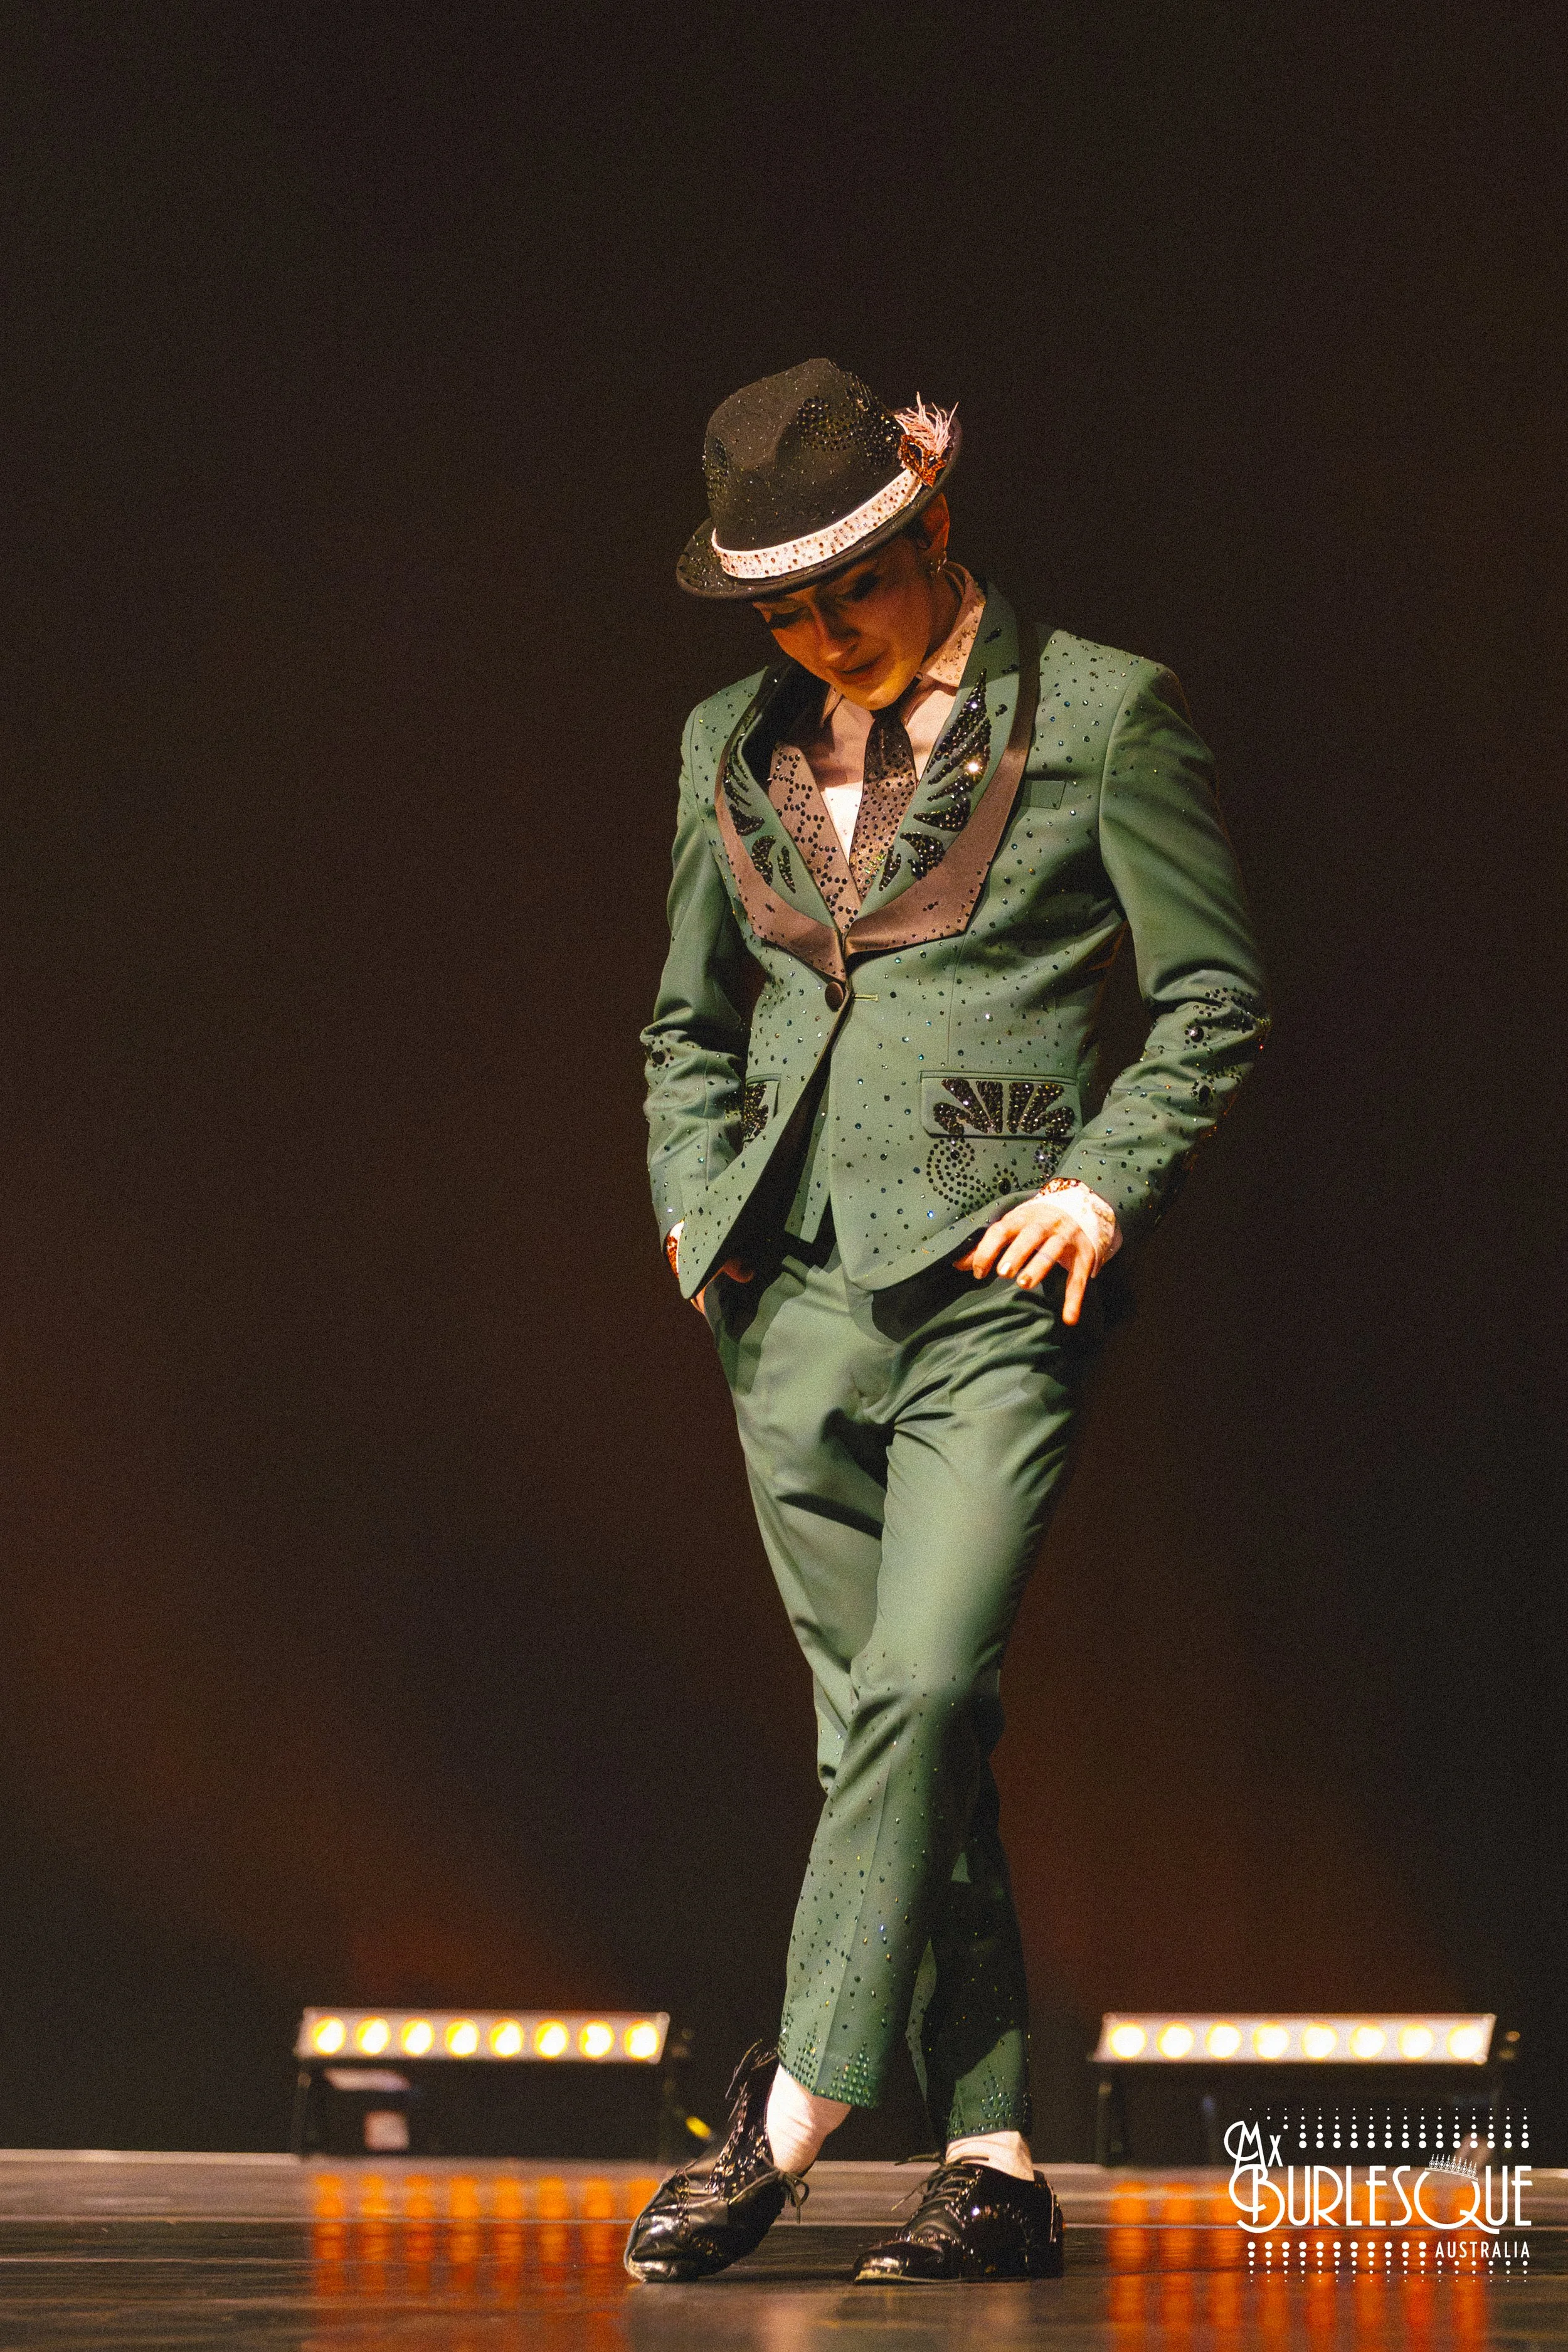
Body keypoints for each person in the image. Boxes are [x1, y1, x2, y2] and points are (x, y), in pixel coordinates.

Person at [625, 358, 1268, 2286]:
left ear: (934, 530)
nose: (819, 634)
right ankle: (988, 2153)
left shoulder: (1098, 713)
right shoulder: (723, 747)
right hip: (786, 1299)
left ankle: (800, 2098)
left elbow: (1212, 990)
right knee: (893, 1737)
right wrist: (693, 1210)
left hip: (993, 1283)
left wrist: (1102, 1179)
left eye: (851, 590)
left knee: (912, 1690)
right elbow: (686, 1018)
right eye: (782, 610)